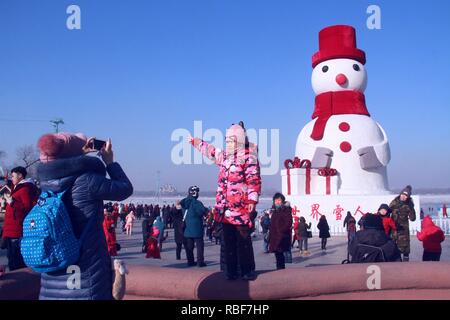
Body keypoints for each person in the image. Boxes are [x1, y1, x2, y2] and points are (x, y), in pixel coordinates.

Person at [36, 132, 133, 300]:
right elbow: (124, 188)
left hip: (52, 267)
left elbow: (65, 166)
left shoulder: (45, 183)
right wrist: (109, 162)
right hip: (86, 268)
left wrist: (78, 153)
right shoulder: (88, 180)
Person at [188, 121, 262, 281]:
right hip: (225, 210)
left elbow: (253, 179)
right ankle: (231, 271)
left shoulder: (249, 157)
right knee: (227, 242)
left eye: (230, 141)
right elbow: (211, 152)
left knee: (243, 241)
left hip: (240, 209)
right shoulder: (226, 157)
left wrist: (252, 200)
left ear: (239, 141)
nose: (227, 144)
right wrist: (196, 142)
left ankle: (247, 270)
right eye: (226, 141)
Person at [1, 166, 38, 271]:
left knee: (16, 261)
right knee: (12, 259)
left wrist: (12, 202)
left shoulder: (25, 189)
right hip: (10, 229)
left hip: (16, 230)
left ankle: (21, 284)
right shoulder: (16, 188)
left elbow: (27, 208)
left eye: (13, 176)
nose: (11, 178)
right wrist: (6, 204)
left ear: (20, 176)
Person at [180, 186, 209, 267]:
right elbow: (201, 212)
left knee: (189, 247)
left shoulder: (184, 202)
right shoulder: (197, 203)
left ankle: (190, 261)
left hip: (187, 228)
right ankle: (200, 262)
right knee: (199, 246)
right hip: (197, 228)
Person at [390, 185, 416, 262]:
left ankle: (405, 266)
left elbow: (413, 218)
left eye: (406, 196)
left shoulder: (409, 205)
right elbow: (387, 212)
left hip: (403, 231)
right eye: (402, 194)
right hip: (394, 230)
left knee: (405, 250)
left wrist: (411, 208)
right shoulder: (394, 202)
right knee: (394, 249)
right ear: (400, 194)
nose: (403, 197)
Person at [268, 193, 292, 270]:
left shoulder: (285, 210)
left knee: (280, 255)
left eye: (279, 200)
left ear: (282, 201)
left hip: (282, 236)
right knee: (278, 255)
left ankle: (281, 272)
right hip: (275, 236)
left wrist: (281, 231)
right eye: (276, 200)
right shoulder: (275, 211)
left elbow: (288, 222)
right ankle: (280, 270)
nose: (277, 202)